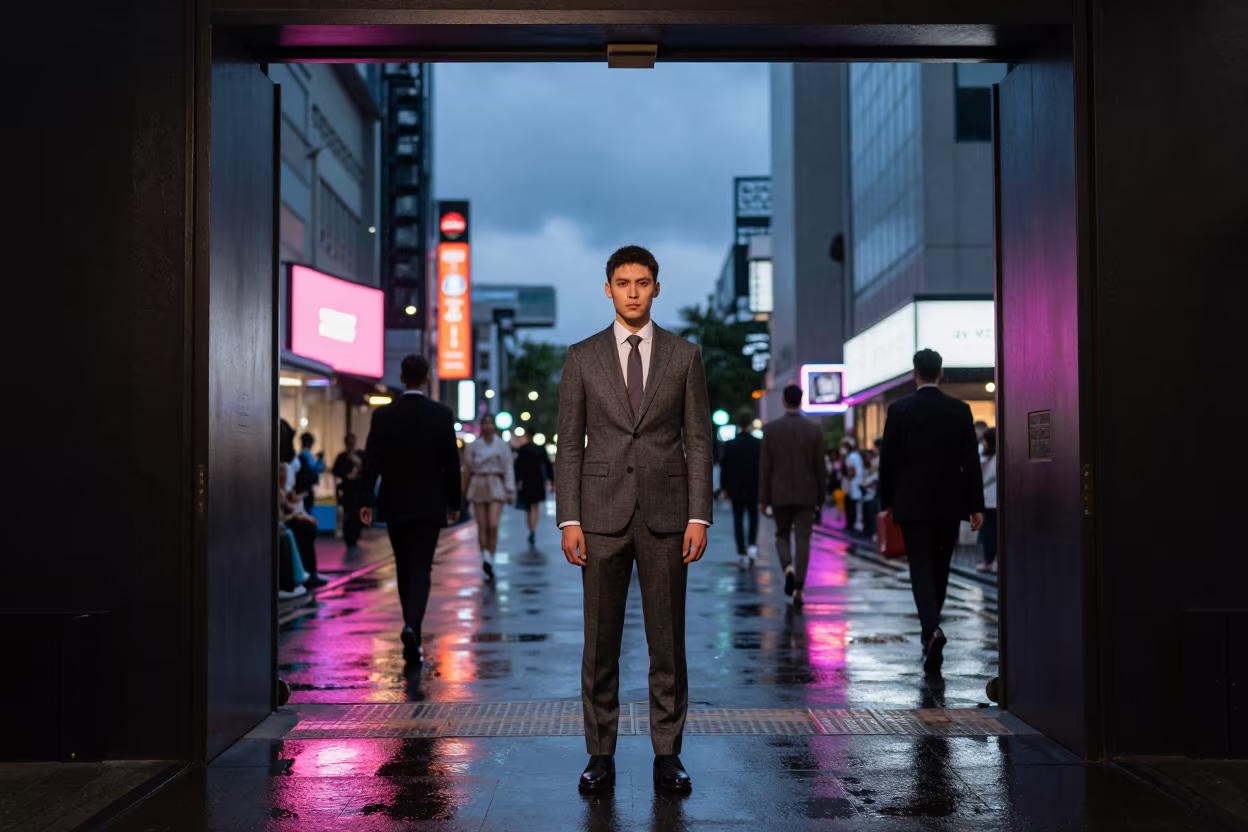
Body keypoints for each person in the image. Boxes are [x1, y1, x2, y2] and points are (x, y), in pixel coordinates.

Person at [556, 245, 713, 795]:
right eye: (622, 282)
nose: (632, 291)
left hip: (669, 518)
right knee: (599, 644)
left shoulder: (685, 355)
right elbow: (569, 445)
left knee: (667, 644)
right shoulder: (581, 356)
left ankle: (667, 754)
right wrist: (567, 519)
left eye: (642, 282)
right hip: (598, 519)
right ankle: (600, 753)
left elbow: (698, 439)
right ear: (607, 288)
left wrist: (700, 515)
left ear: (656, 288)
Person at [879, 349, 985, 672]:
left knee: (920, 567)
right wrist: (975, 505)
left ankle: (931, 630)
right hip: (949, 503)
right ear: (941, 373)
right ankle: (931, 631)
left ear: (915, 373)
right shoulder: (959, 410)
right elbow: (971, 462)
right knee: (941, 567)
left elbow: (888, 462)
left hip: (912, 505)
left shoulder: (899, 410)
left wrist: (887, 503)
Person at [359, 355, 463, 665]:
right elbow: (451, 465)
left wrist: (365, 500)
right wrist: (454, 503)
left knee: (404, 565)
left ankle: (410, 625)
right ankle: (412, 626)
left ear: (402, 378)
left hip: (395, 502)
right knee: (422, 566)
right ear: (428, 377)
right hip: (429, 505)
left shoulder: (384, 416)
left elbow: (371, 460)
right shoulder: (441, 415)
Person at [759, 384, 826, 607]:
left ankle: (787, 566)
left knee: (781, 535)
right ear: (801, 400)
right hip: (807, 494)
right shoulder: (814, 429)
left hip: (779, 494)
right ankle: (799, 586)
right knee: (803, 539)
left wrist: (764, 498)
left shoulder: (771, 430)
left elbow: (765, 468)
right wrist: (820, 497)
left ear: (783, 401)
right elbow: (820, 468)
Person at [462, 415, 516, 579]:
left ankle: (490, 557)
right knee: (482, 525)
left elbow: (508, 468)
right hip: (479, 484)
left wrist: (510, 490)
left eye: (490, 423)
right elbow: (467, 469)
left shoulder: (501, 445)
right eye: (485, 424)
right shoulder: (473, 446)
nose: (488, 427)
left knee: (493, 524)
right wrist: (462, 491)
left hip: (496, 485)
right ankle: (485, 556)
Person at [719, 410, 761, 568]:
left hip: (735, 487)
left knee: (738, 519)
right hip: (753, 486)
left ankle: (741, 551)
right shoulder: (757, 444)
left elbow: (725, 468)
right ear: (750, 424)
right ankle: (752, 546)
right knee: (753, 516)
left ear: (739, 425)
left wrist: (724, 487)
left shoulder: (731, 444)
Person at [513, 433, 554, 546]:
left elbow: (517, 467)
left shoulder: (522, 450)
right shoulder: (540, 449)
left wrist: (518, 481)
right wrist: (551, 480)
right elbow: (547, 465)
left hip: (527, 481)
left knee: (529, 507)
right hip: (538, 480)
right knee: (535, 507)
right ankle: (533, 529)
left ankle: (531, 528)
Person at [333, 433, 366, 549]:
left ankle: (355, 536)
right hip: (348, 490)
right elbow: (336, 471)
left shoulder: (360, 455)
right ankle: (349, 537)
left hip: (357, 490)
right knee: (348, 515)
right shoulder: (342, 457)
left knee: (357, 515)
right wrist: (346, 476)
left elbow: (366, 468)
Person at [977, 427, 999, 574]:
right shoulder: (991, 456)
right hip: (992, 499)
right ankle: (992, 560)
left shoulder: (986, 457)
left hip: (990, 499)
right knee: (991, 531)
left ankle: (989, 560)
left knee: (990, 532)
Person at [295, 432, 327, 513]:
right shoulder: (307, 455)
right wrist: (321, 459)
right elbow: (318, 468)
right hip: (307, 490)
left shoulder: (299, 455)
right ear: (311, 443)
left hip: (300, 490)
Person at [841, 438, 864, 534]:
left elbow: (852, 471)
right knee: (852, 506)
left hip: (852, 486)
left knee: (851, 506)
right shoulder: (855, 456)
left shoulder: (852, 457)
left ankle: (851, 525)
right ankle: (851, 524)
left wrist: (848, 477)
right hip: (853, 486)